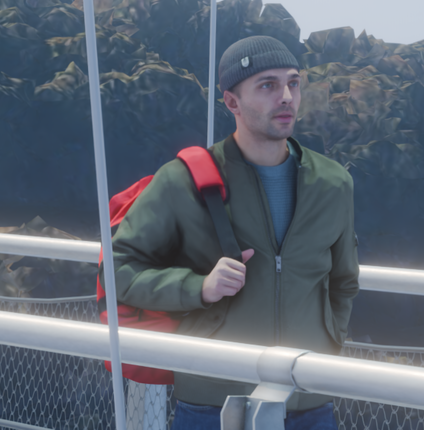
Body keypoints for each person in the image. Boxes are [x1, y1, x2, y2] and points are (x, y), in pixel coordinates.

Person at [113, 36, 359, 430]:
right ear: (231, 102)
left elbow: (343, 280)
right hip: (211, 397)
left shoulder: (334, 183)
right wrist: (199, 288)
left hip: (309, 398)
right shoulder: (181, 181)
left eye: (293, 83)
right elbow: (119, 271)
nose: (287, 97)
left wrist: (328, 343)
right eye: (268, 85)